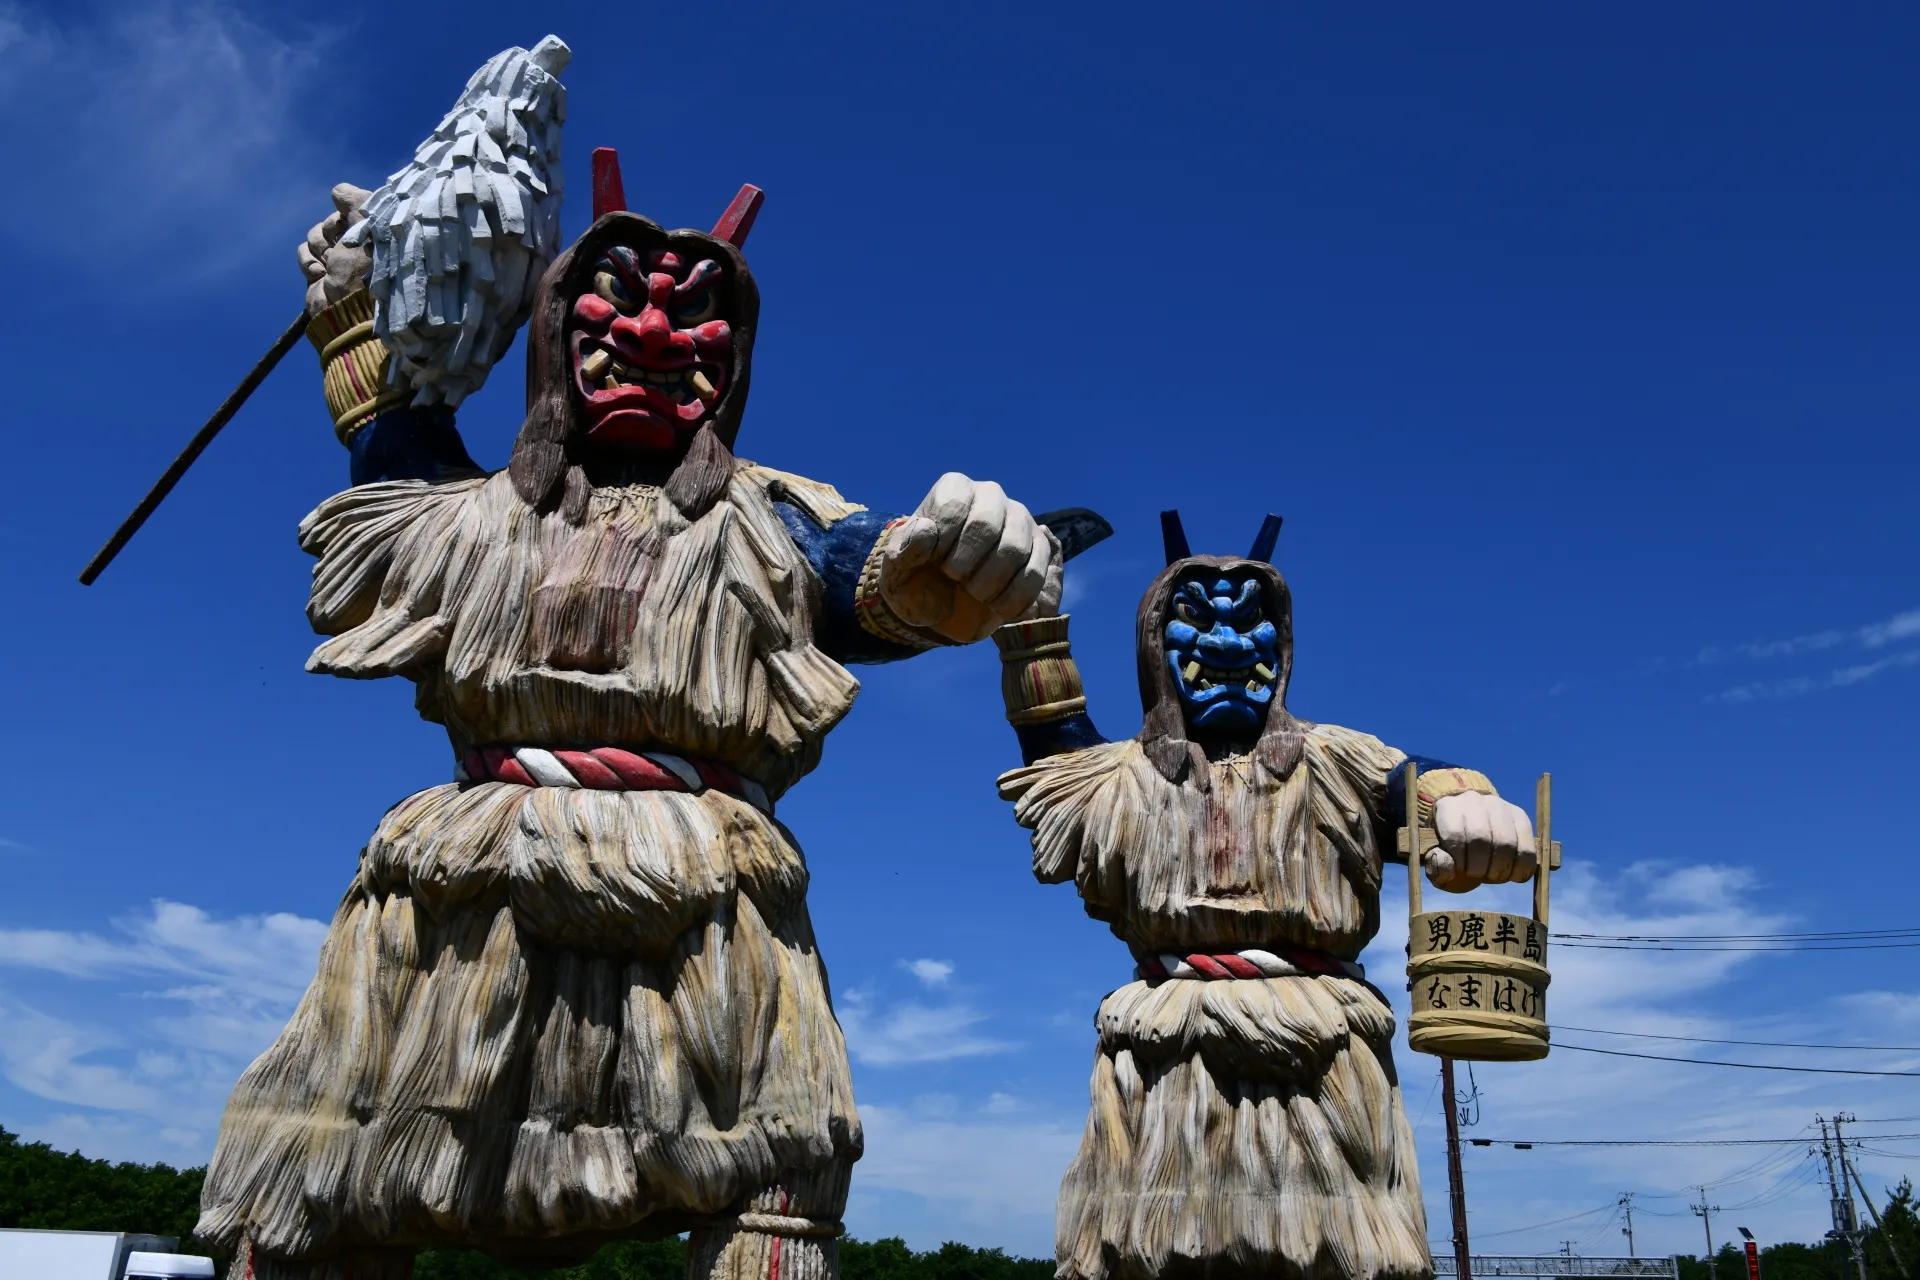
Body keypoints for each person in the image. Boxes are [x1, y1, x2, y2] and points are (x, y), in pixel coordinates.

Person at [196, 42, 1073, 1280]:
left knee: (771, 1184)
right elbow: (394, 450)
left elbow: (858, 573)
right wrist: (364, 295)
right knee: (323, 1175)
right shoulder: (474, 511)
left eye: (699, 319)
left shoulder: (767, 517)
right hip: (462, 886)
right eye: (615, 307)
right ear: (554, 328)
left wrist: (945, 562)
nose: (658, 330)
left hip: (707, 898)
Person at [990, 513, 1537, 1280]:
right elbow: (1055, 743)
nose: (1223, 646)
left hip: (1322, 1063)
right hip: (1160, 1070)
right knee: (1138, 1254)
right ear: (1152, 646)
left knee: (1347, 1256)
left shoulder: (1334, 762)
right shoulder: (1120, 778)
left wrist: (1465, 799)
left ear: (1282, 649)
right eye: (1193, 622)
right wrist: (1031, 616)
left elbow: (1406, 782)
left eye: (1252, 625)